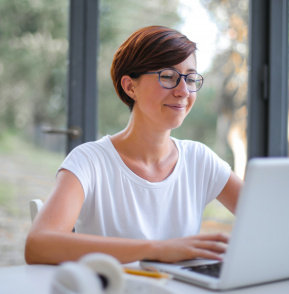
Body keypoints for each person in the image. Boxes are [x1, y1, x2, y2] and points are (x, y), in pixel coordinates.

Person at [25, 26, 243, 265]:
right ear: (131, 87)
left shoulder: (200, 159)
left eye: (190, 79)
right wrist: (157, 249)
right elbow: (38, 245)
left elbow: (269, 217)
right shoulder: (89, 161)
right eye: (168, 76)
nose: (183, 91)